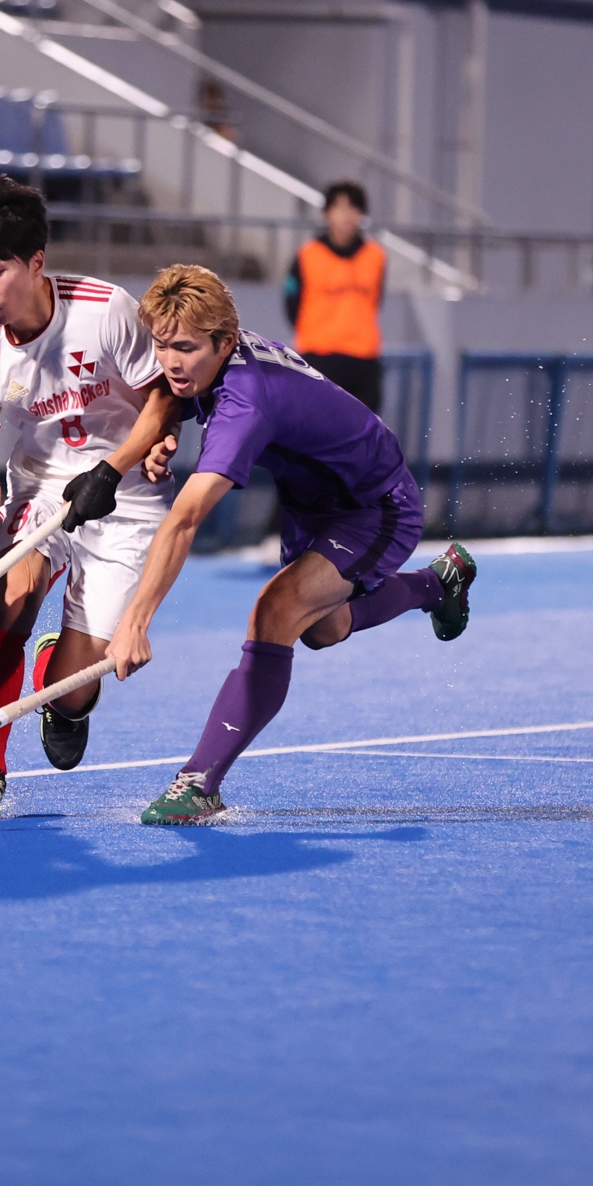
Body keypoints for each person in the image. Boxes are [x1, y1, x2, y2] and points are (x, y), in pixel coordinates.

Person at [106, 264, 476, 825]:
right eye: (161, 346)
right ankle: (436, 585)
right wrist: (170, 430)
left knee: (275, 611)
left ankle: (200, 782)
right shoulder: (218, 355)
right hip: (311, 502)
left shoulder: (246, 401)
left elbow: (185, 520)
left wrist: (134, 621)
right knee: (321, 629)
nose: (171, 362)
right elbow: (176, 396)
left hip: (374, 505)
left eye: (184, 348)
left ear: (224, 341)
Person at [0, 175, 180, 819]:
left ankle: (59, 682)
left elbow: (162, 396)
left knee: (70, 692)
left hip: (127, 496)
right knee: (11, 602)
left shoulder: (105, 309)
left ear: (36, 261)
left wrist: (138, 454)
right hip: (43, 490)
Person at [284, 180, 386, 411]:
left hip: (363, 360)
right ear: (327, 213)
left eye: (352, 208)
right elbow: (291, 302)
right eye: (338, 208)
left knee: (364, 428)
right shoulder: (308, 255)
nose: (345, 216)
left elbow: (376, 300)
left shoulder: (375, 256)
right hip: (319, 358)